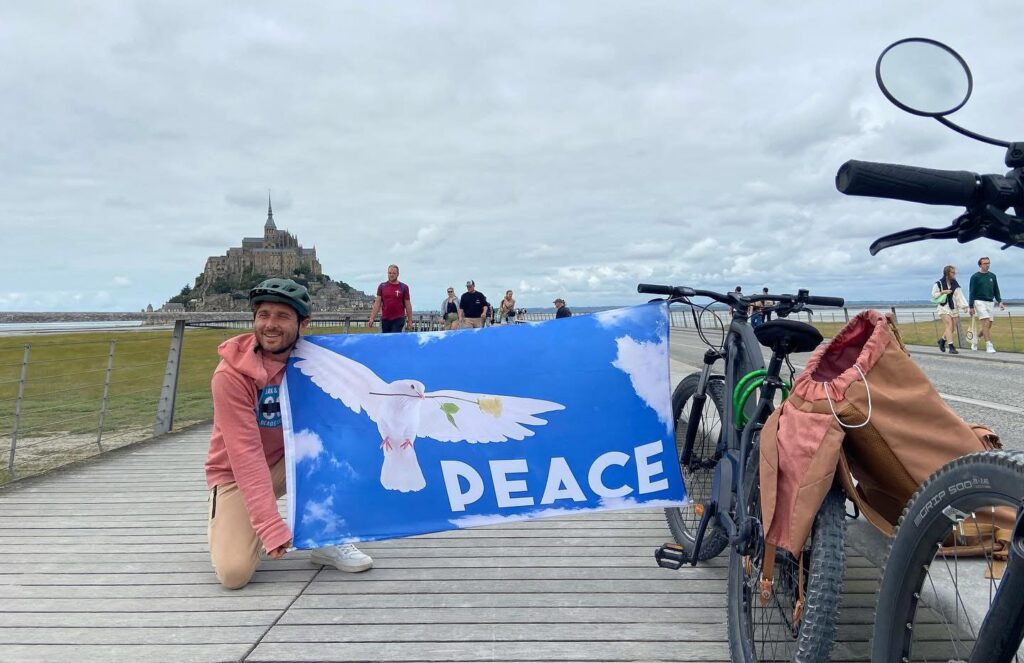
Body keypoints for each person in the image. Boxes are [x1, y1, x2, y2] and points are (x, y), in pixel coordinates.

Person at [206, 278, 373, 590]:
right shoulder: (230, 375)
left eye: (282, 316)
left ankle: (325, 536)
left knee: (344, 441)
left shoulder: (318, 363)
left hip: (295, 460)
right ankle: (237, 522)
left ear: (302, 323)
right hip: (237, 474)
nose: (270, 324)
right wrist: (269, 524)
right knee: (234, 573)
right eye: (263, 315)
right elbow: (245, 455)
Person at [968, 256, 1006, 353]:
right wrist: (971, 306)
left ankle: (976, 339)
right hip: (979, 301)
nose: (987, 265)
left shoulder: (992, 276)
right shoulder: (975, 277)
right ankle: (989, 345)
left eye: (988, 263)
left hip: (990, 302)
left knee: (988, 325)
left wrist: (1000, 301)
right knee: (985, 322)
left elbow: (996, 289)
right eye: (985, 263)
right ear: (980, 265)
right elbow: (971, 292)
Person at [932, 265, 968, 355]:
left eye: (955, 272)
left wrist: (964, 306)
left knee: (952, 328)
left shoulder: (955, 283)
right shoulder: (939, 283)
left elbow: (959, 295)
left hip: (954, 307)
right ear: (947, 273)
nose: (954, 274)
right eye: (952, 272)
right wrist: (943, 292)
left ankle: (942, 340)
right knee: (949, 324)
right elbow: (934, 295)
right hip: (943, 307)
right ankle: (951, 347)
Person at [367, 264, 413, 333]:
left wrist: (410, 320)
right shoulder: (382, 286)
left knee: (394, 338)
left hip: (398, 319)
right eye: (390, 273)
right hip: (385, 319)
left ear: (398, 274)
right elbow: (377, 303)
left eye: (394, 273)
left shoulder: (404, 287)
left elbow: (408, 305)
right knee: (386, 338)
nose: (391, 275)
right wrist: (372, 318)